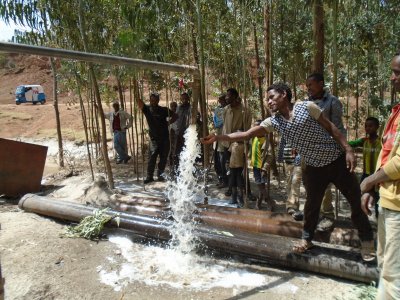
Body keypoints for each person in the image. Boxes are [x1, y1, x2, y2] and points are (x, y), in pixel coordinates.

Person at [201, 83, 374, 261]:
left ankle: (367, 241)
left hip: (336, 161)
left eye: (272, 97)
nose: (269, 101)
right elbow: (246, 134)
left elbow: (331, 127)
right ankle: (307, 240)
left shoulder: (307, 107)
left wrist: (348, 150)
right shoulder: (274, 121)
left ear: (284, 94)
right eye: (267, 99)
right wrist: (219, 137)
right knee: (311, 206)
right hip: (313, 168)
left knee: (355, 202)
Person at [361, 53, 400, 299]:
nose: (393, 78)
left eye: (397, 72)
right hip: (388, 201)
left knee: (393, 274)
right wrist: (372, 189)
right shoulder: (395, 113)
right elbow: (386, 155)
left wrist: (369, 181)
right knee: (385, 264)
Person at [306, 73, 347, 231]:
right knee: (311, 184)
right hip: (310, 150)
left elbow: (337, 127)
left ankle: (328, 216)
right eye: (307, 85)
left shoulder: (332, 101)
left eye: (311, 84)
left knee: (325, 185)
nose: (308, 88)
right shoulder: (306, 103)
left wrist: (341, 148)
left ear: (321, 84)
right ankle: (313, 216)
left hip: (328, 149)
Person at [136, 93, 177, 183]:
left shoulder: (164, 110)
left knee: (163, 157)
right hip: (154, 139)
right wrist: (136, 92)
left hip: (165, 138)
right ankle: (149, 176)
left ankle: (160, 175)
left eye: (155, 100)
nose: (153, 102)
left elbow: (175, 116)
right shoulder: (147, 109)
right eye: (151, 100)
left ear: (158, 101)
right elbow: (139, 103)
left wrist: (169, 122)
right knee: (152, 157)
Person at [221, 88, 252, 197]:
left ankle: (247, 191)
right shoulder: (226, 109)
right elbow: (224, 125)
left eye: (228, 96)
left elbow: (248, 128)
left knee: (241, 169)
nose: (226, 98)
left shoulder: (245, 110)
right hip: (226, 143)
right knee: (230, 167)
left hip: (239, 144)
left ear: (234, 96)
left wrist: (241, 135)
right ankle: (231, 189)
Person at [250, 120, 274, 211]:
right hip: (255, 165)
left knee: (260, 185)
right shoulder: (254, 138)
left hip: (261, 167)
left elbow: (269, 156)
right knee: (261, 185)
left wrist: (264, 169)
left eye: (257, 128)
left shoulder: (265, 141)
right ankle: (259, 204)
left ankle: (268, 203)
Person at [278, 138, 303, 220]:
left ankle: (292, 206)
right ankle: (292, 206)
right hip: (287, 160)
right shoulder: (286, 128)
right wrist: (280, 158)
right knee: (288, 184)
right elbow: (283, 143)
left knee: (295, 182)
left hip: (298, 160)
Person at [173, 92, 192, 168]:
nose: (184, 100)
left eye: (185, 98)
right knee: (177, 152)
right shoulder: (179, 107)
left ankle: (187, 167)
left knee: (187, 151)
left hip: (187, 133)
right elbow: (176, 118)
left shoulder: (191, 108)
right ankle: (177, 168)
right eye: (182, 98)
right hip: (178, 132)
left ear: (188, 99)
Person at [213, 93, 228, 187]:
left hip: (225, 137)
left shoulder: (229, 110)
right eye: (219, 100)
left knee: (223, 160)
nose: (220, 102)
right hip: (218, 136)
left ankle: (225, 180)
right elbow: (216, 123)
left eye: (222, 99)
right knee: (217, 160)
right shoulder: (217, 110)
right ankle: (221, 178)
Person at [168, 101, 178, 167]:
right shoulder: (167, 117)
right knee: (170, 151)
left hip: (177, 136)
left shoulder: (178, 116)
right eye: (172, 106)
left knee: (176, 150)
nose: (173, 108)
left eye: (175, 106)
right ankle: (171, 164)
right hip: (169, 136)